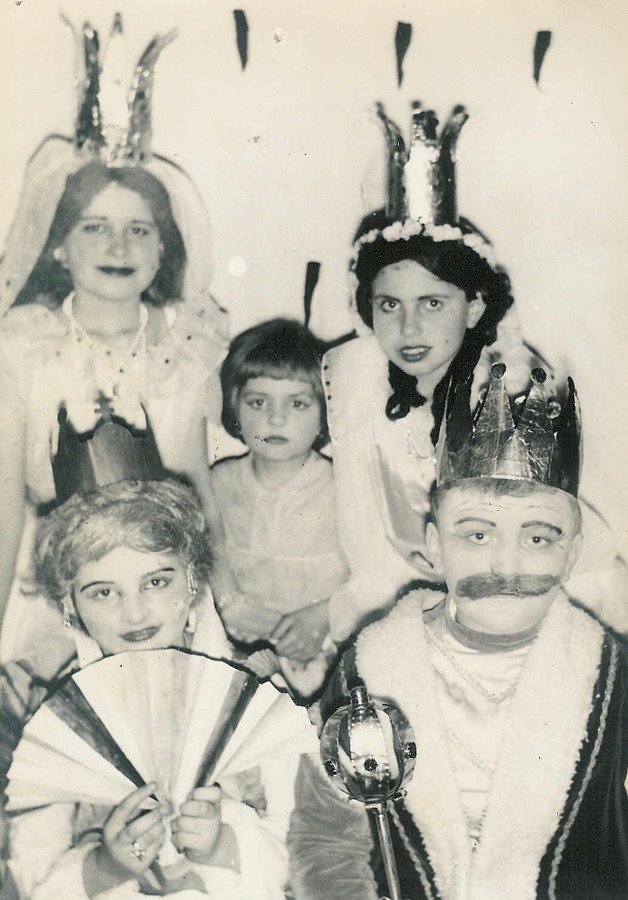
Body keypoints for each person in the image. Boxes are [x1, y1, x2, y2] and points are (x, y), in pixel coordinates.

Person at [288, 366, 627, 900]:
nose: (506, 565)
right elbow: (324, 839)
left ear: (573, 554)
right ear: (435, 546)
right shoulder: (365, 673)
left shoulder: (614, 680)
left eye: (538, 538)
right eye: (477, 535)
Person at [324, 100, 627, 643]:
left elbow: (545, 546)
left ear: (474, 307)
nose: (409, 328)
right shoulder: (359, 383)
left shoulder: (511, 391)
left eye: (432, 303)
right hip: (412, 609)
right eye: (390, 305)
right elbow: (369, 547)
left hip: (527, 603)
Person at [0, 16, 228, 664]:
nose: (119, 248)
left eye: (139, 230)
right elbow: (5, 501)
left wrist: (220, 603)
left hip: (164, 593)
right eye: (95, 228)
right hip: (49, 591)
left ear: (163, 248)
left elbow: (198, 489)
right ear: (59, 247)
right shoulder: (22, 348)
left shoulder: (186, 348)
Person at [4, 477, 314, 899]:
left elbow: (318, 848)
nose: (134, 613)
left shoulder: (256, 691)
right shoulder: (59, 720)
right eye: (103, 592)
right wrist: (104, 868)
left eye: (155, 582)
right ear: (70, 605)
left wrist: (224, 846)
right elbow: (30, 881)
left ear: (192, 579)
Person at [211, 318, 349, 698]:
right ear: (234, 409)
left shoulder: (342, 487)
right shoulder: (219, 483)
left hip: (322, 651)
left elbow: (370, 578)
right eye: (258, 402)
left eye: (298, 404)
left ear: (324, 415)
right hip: (238, 651)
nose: (275, 418)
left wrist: (325, 616)